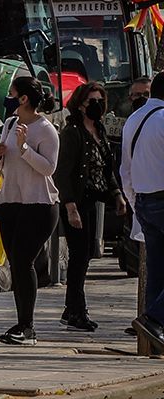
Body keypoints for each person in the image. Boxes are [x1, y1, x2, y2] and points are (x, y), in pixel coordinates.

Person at [0, 76, 61, 346]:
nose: (8, 97)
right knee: (15, 264)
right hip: (10, 202)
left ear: (24, 98)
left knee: (23, 261)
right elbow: (6, 162)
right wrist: (1, 152)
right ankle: (20, 323)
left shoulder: (46, 130)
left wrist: (25, 149)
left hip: (39, 204)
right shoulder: (9, 123)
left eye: (12, 93)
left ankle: (27, 326)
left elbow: (48, 168)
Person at [56, 81, 119, 333]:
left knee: (86, 256)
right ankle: (76, 311)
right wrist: (70, 206)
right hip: (76, 202)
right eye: (92, 101)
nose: (97, 105)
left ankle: (72, 308)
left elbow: (105, 167)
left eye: (100, 101)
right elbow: (63, 173)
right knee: (78, 257)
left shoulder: (100, 131)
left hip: (93, 200)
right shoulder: (72, 133)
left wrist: (117, 194)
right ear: (80, 105)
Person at [119, 82, 164, 353]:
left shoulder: (135, 119)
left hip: (144, 199)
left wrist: (136, 204)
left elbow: (126, 170)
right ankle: (154, 318)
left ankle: (155, 333)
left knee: (157, 270)